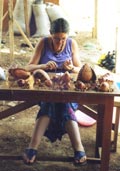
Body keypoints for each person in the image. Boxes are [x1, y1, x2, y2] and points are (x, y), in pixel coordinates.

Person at [23, 18, 87, 165]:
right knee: (51, 101)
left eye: (63, 39)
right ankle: (78, 149)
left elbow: (81, 69)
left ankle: (33, 148)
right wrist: (44, 65)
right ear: (51, 34)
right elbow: (28, 67)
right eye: (56, 38)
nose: (60, 43)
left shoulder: (72, 44)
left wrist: (71, 68)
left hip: (67, 89)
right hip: (46, 87)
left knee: (63, 103)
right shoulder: (43, 43)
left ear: (67, 36)